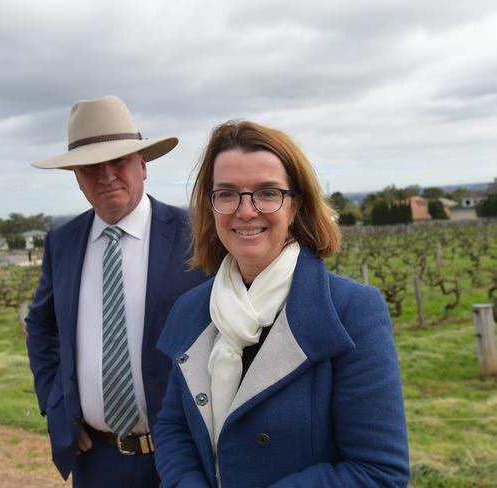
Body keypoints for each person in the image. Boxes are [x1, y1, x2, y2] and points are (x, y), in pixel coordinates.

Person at [154, 120, 410, 487]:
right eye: (226, 193)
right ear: (210, 206)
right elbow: (173, 426)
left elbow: (378, 471)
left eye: (267, 192)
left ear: (296, 206)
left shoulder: (352, 311)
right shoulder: (191, 310)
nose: (245, 211)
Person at [26, 95, 206, 487]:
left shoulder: (198, 235)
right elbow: (41, 327)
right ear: (75, 174)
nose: (105, 175)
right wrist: (56, 405)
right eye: (91, 166)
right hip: (97, 462)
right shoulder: (62, 242)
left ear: (143, 165)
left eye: (119, 161)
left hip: (185, 457)